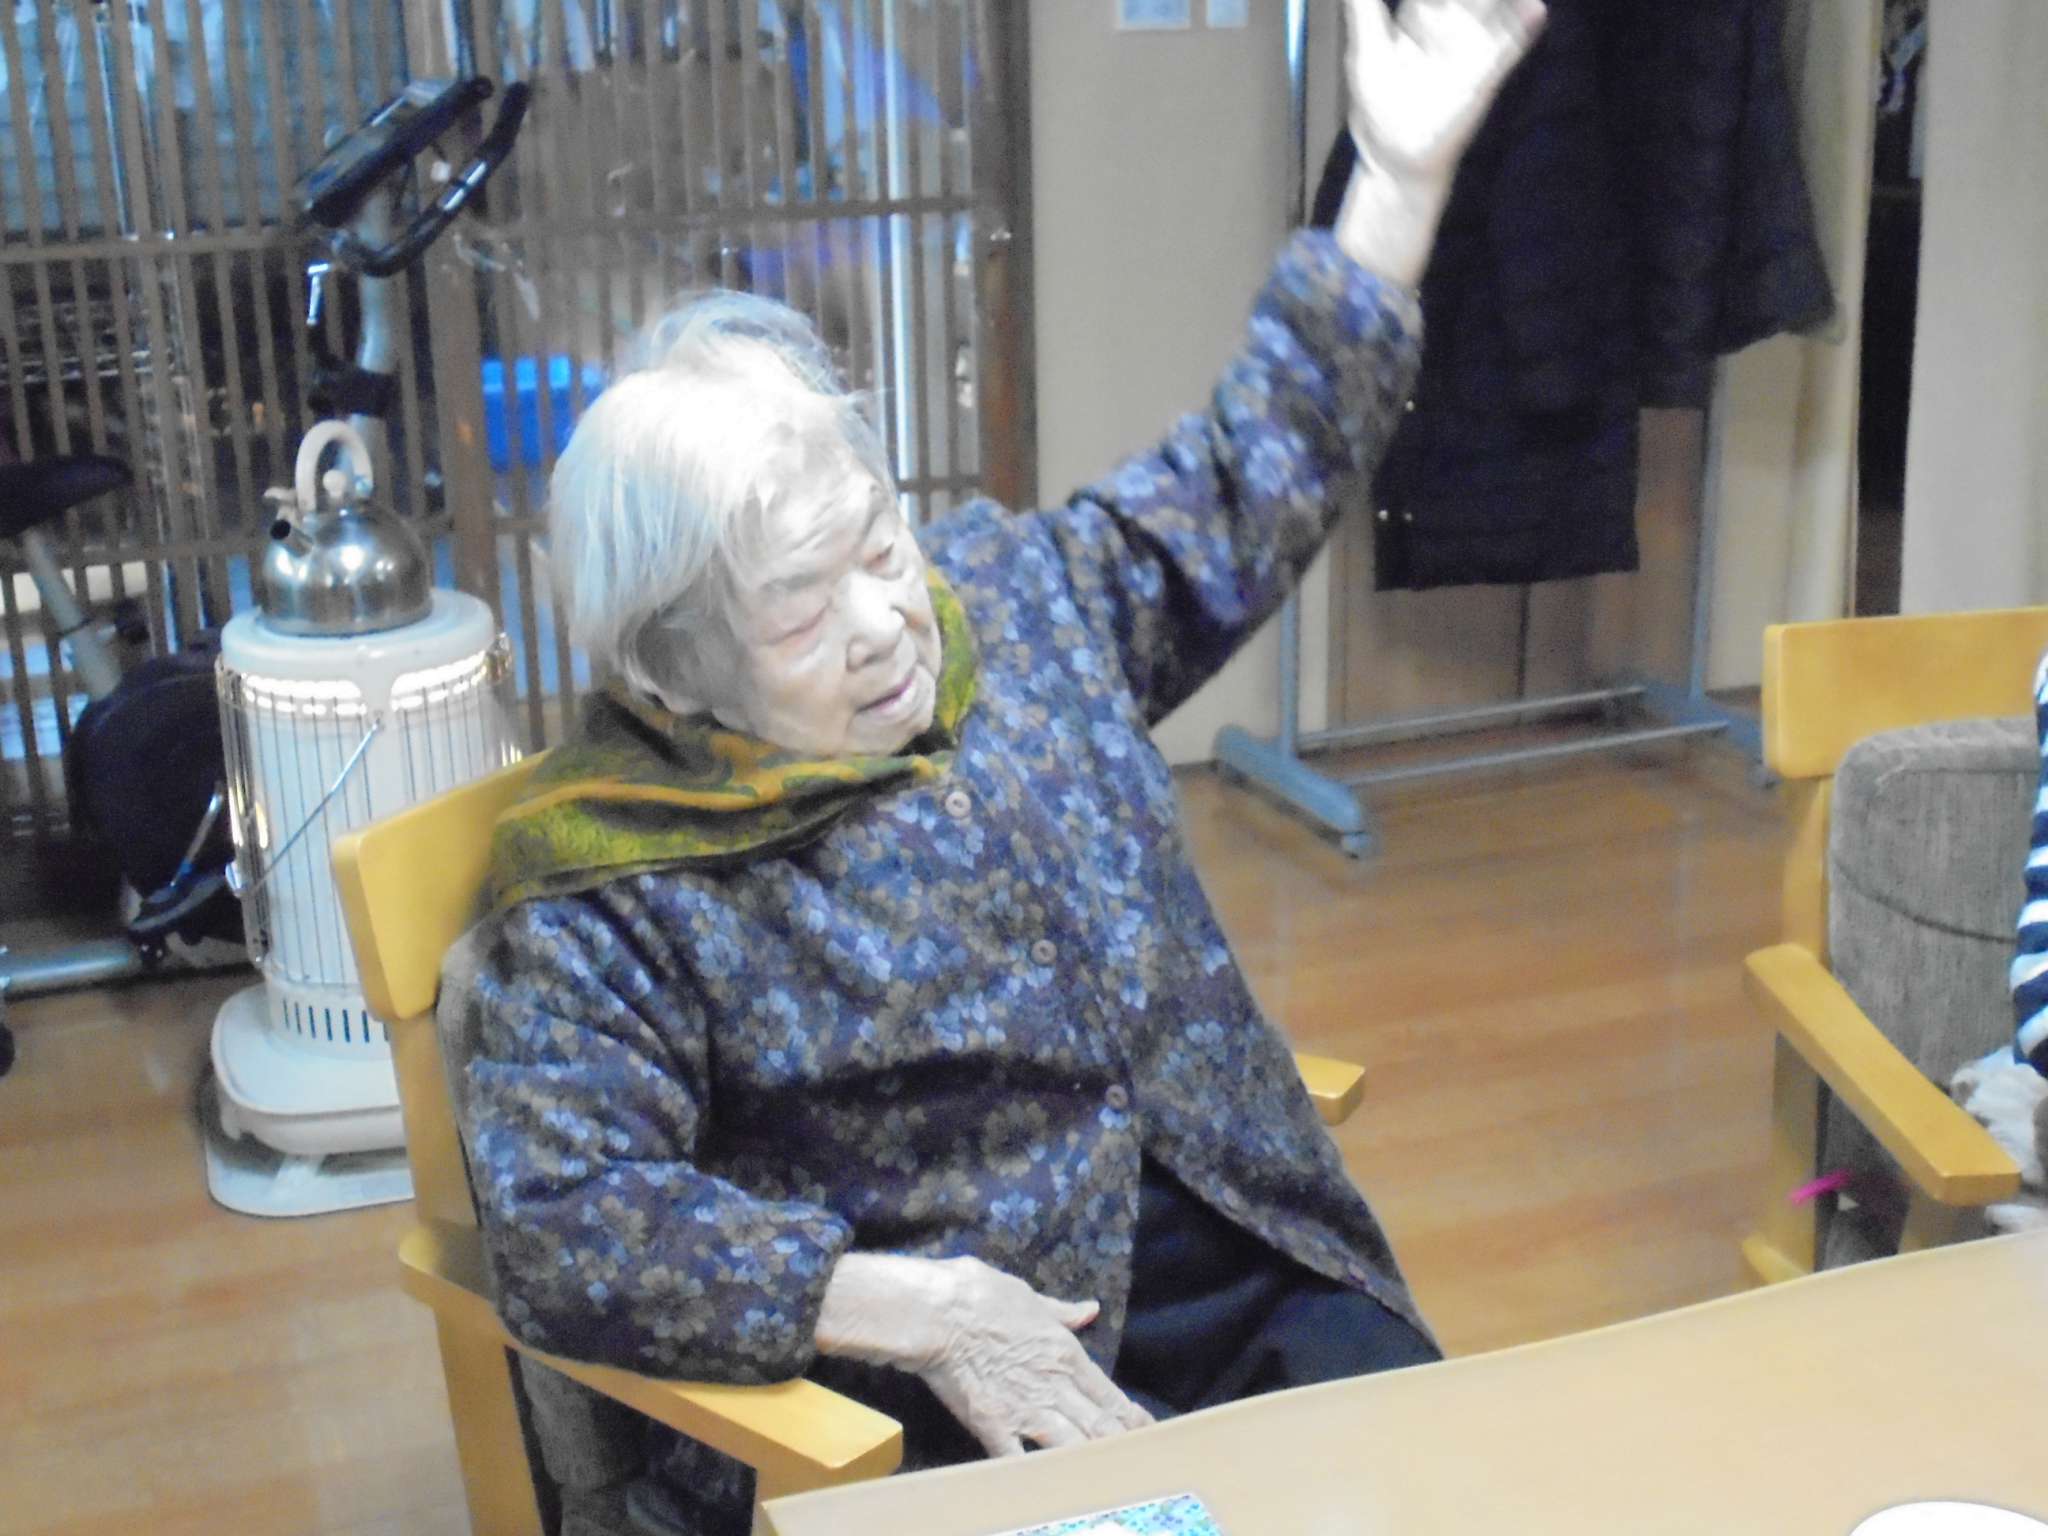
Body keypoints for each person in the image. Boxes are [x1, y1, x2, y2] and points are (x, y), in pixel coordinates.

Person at [453, 1, 1544, 1525]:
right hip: (942, 1397)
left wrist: (1401, 181)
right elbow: (564, 1226)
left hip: (1252, 1268)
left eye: (877, 544)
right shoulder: (601, 887)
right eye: (799, 610)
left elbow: (1255, 466)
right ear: (665, 671)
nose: (884, 624)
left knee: (1464, 1497)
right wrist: (915, 1308)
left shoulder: (1019, 605)